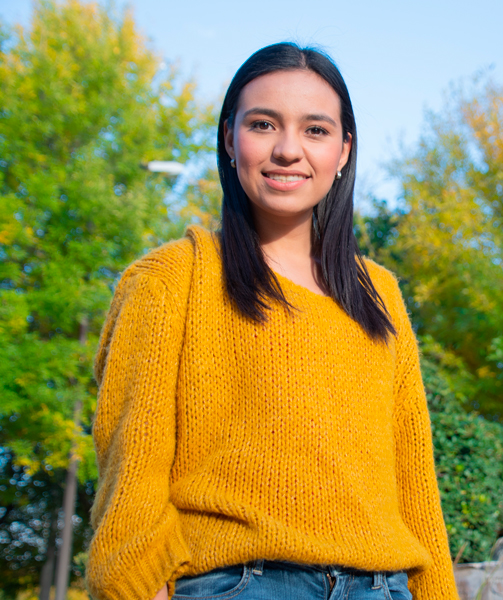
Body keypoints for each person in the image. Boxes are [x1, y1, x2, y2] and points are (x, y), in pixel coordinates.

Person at [86, 43, 459, 600]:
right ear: (229, 141)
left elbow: (415, 481)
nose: (288, 150)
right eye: (263, 124)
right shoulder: (171, 279)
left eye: (315, 130)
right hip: (241, 585)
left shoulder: (377, 292)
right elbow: (131, 472)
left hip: (384, 589)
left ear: (343, 152)